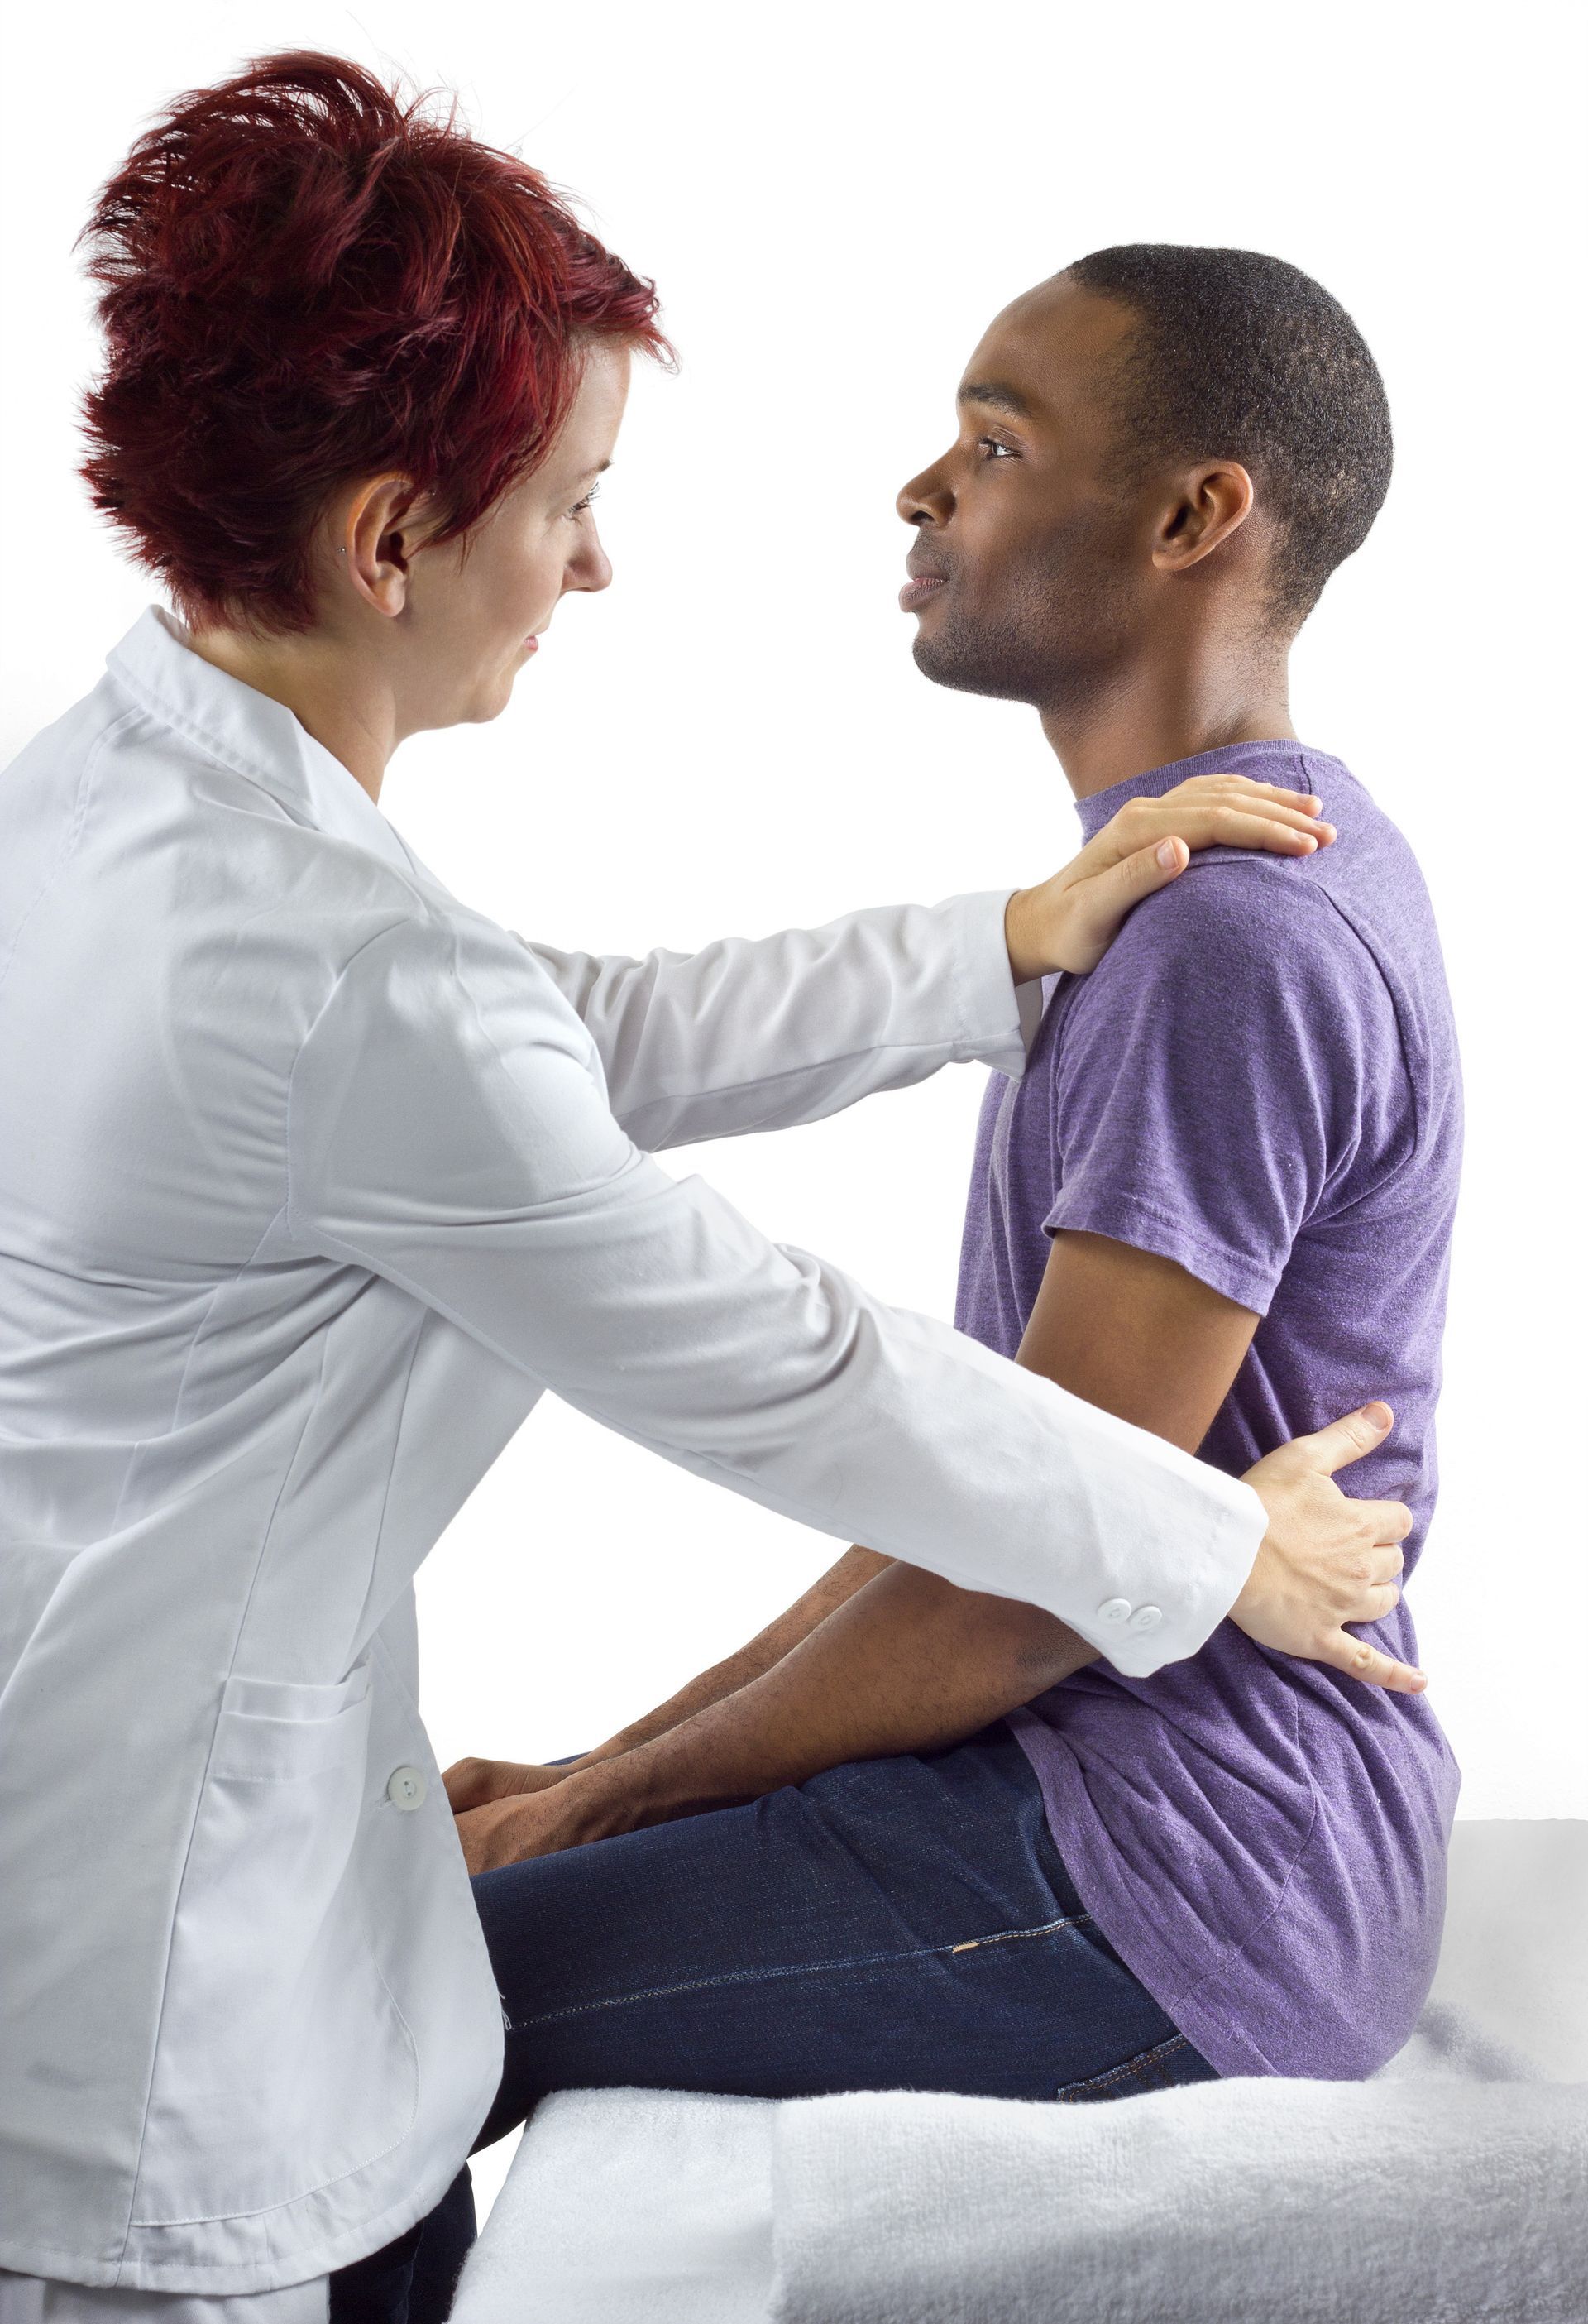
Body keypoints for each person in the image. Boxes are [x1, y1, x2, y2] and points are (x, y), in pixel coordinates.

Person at [0, 56, 1417, 2324]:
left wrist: (989, 949)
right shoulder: (348, 980)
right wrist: (1218, 1539)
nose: (592, 560)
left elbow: (541, 1034)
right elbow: (785, 1361)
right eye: (568, 503)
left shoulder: (101, 806)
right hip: (174, 2057)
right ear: (390, 542)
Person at [406, 245, 1461, 2312]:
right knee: (412, 1912)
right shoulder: (1164, 899)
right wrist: (590, 1772)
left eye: (992, 444)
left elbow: (1025, 1571)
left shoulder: (1232, 942)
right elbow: (987, 1493)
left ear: (1193, 520)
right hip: (1114, 1803)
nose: (922, 491)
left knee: (374, 2012)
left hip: (1176, 1881)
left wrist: (590, 1811)